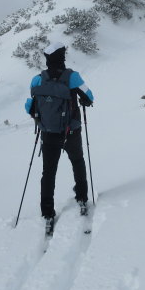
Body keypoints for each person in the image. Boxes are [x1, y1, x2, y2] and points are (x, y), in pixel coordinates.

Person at [24, 42, 94, 233]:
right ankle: (81, 197)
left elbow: (29, 108)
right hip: (71, 131)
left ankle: (47, 212)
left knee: (48, 172)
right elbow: (89, 97)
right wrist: (80, 100)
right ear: (62, 57)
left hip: (48, 133)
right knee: (78, 162)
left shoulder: (37, 80)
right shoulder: (73, 77)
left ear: (47, 59)